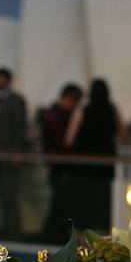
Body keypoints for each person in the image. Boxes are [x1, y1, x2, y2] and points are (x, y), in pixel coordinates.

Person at [64, 78, 126, 232]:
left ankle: (82, 243)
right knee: (103, 205)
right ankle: (103, 239)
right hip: (105, 166)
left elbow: (69, 139)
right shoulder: (112, 109)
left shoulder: (83, 110)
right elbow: (123, 133)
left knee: (84, 205)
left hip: (84, 167)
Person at [41, 83, 83, 242]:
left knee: (59, 205)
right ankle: (55, 238)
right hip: (63, 167)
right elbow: (66, 142)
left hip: (54, 165)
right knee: (61, 206)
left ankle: (53, 237)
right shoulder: (61, 116)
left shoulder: (50, 114)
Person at [0, 67, 27, 240]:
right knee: (3, 197)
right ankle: (6, 232)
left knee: (11, 197)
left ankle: (13, 235)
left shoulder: (15, 101)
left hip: (9, 156)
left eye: (1, 79)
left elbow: (20, 128)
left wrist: (17, 153)